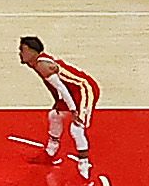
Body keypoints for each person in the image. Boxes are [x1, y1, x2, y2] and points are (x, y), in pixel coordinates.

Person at [19, 34, 99, 172]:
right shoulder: (35, 63)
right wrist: (58, 101)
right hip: (73, 91)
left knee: (77, 128)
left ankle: (84, 172)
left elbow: (61, 87)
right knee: (54, 115)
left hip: (84, 90)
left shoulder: (42, 65)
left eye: (22, 50)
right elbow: (55, 86)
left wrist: (73, 110)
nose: (20, 53)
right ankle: (50, 153)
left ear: (32, 52)